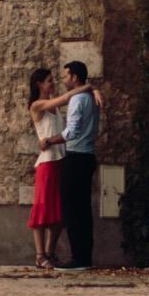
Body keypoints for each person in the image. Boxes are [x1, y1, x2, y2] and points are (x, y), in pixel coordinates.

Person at [42, 60, 99, 271]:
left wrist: (49, 140)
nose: (64, 80)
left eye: (66, 76)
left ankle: (78, 259)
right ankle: (85, 256)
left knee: (72, 209)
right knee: (83, 209)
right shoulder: (91, 97)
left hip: (75, 157)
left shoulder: (77, 100)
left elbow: (71, 132)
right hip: (88, 156)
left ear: (75, 77)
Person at [24, 67, 73, 269]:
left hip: (60, 160)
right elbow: (64, 98)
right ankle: (40, 255)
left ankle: (50, 253)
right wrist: (89, 88)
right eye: (49, 81)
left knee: (59, 212)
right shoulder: (37, 105)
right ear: (39, 85)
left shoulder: (55, 108)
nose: (53, 84)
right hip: (47, 164)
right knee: (42, 209)